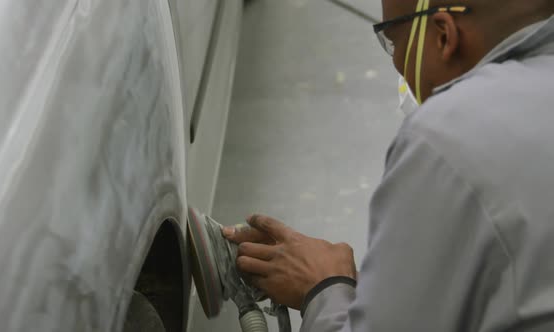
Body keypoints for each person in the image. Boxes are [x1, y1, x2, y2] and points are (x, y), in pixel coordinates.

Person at [222, 0, 554, 331]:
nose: (396, 61)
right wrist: (371, 288)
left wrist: (324, 290)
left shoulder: (450, 134)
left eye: (393, 40)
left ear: (444, 36)